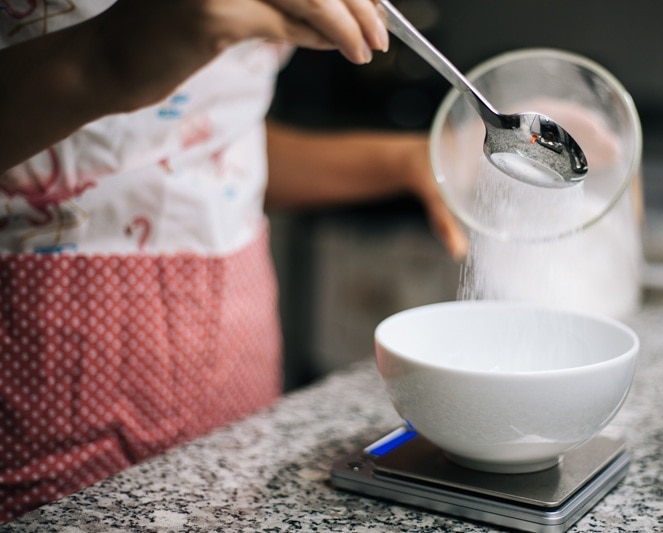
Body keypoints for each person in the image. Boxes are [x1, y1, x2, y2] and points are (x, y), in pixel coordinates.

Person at [0, 0, 467, 522]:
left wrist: (405, 160)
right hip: (38, 360)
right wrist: (108, 58)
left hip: (235, 346)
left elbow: (191, 142)